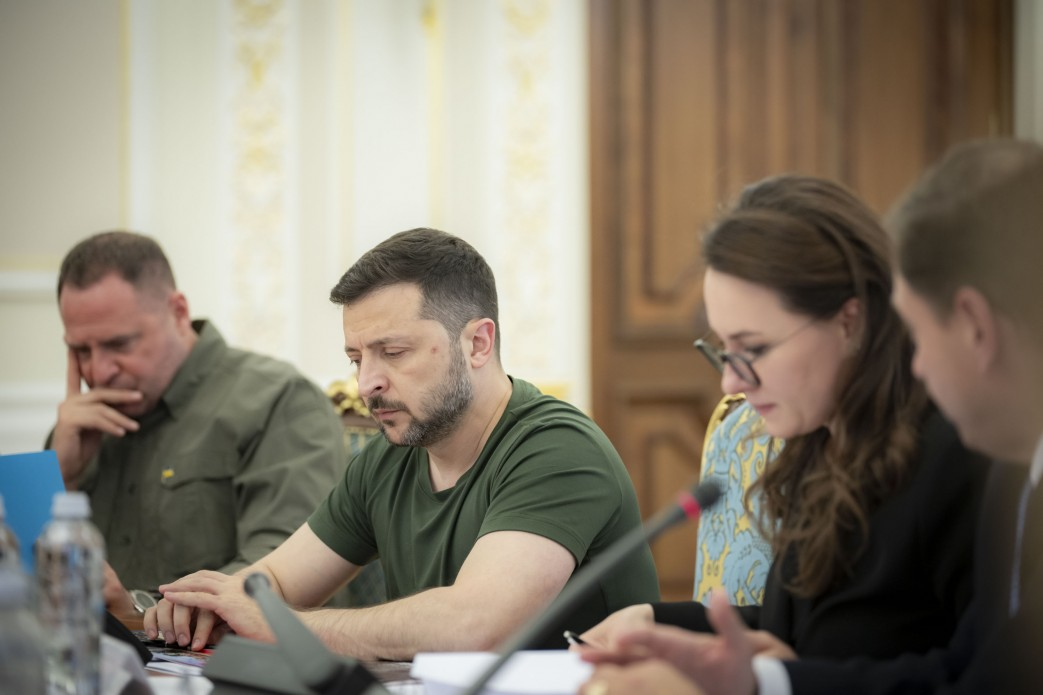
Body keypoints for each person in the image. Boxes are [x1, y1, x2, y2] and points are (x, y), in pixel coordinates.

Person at [579, 139, 1043, 695]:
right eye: (723, 350)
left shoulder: (964, 447)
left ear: (848, 322)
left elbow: (972, 677)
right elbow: (802, 634)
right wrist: (658, 622)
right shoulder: (817, 438)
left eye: (753, 349)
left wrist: (767, 684)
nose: (730, 383)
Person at [145, 228, 660, 659]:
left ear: (478, 343)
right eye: (355, 358)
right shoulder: (387, 461)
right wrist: (202, 606)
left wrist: (281, 625)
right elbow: (272, 584)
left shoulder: (557, 448)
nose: (366, 382)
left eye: (392, 351)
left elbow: (477, 626)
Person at [51, 231, 345, 618]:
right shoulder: (77, 432)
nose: (99, 371)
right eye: (80, 351)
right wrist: (59, 473)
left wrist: (139, 611)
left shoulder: (277, 400)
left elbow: (285, 570)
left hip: (229, 667)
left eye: (119, 345)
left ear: (177, 312)